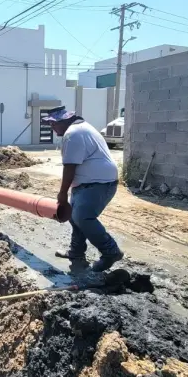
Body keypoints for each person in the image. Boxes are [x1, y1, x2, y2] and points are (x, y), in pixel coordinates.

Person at [42, 106, 123, 272]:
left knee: (83, 217)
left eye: (54, 124)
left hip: (99, 183)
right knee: (75, 217)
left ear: (64, 121)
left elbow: (70, 167)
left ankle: (110, 251)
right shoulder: (79, 129)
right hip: (90, 183)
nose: (52, 127)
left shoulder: (73, 134)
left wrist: (62, 193)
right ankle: (76, 252)